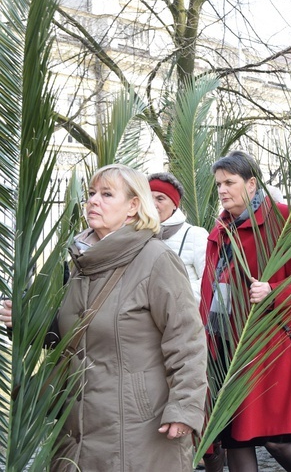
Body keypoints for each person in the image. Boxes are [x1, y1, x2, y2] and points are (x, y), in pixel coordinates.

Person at [0, 164, 208, 471]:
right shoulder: (80, 262)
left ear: (134, 206)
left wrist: (184, 408)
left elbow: (187, 340)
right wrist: (27, 321)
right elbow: (73, 333)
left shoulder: (157, 260)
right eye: (92, 193)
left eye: (107, 194)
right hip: (78, 427)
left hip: (138, 426)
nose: (93, 201)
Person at [199, 151, 291, 472]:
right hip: (228, 348)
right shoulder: (220, 229)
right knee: (236, 438)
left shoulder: (284, 219)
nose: (223, 190)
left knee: (278, 439)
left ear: (252, 184)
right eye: (219, 185)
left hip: (271, 349)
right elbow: (210, 290)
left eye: (230, 182)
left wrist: (273, 291)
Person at [149, 172, 209, 303]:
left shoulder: (195, 235)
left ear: (175, 205)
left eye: (160, 199)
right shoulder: (136, 235)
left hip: (183, 317)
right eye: (148, 198)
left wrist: (171, 297)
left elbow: (209, 280)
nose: (152, 204)